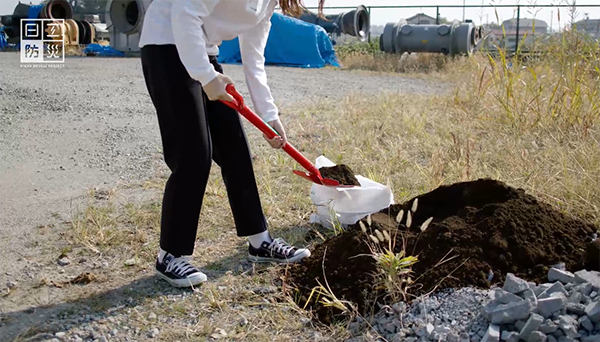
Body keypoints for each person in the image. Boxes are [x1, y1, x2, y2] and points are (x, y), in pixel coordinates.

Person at [138, 0, 325, 288]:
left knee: (236, 151)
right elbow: (184, 12)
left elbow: (254, 60)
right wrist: (207, 77)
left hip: (201, 52)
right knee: (193, 156)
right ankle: (169, 255)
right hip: (166, 44)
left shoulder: (267, 7)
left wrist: (269, 115)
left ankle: (259, 242)